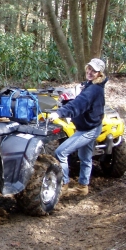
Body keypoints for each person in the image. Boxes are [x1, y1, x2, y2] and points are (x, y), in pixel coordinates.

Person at [48, 58, 108, 195]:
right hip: (90, 126)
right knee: (85, 156)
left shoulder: (93, 89)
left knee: (60, 152)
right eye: (89, 68)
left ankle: (64, 184)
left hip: (89, 129)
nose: (90, 72)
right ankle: (83, 186)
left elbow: (78, 104)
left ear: (100, 74)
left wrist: (59, 113)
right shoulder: (92, 86)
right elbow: (81, 103)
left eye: (94, 71)